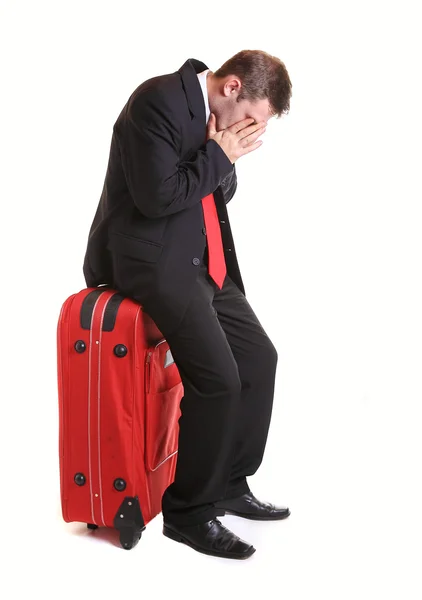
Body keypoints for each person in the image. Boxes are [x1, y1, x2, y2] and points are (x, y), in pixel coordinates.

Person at [83, 49, 293, 560]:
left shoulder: (214, 123)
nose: (248, 131)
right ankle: (190, 513)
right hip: (152, 261)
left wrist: (225, 158)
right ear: (233, 88)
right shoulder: (157, 101)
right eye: (251, 120)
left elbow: (213, 191)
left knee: (259, 360)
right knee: (218, 379)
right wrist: (219, 155)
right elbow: (158, 197)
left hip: (202, 262)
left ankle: (227, 482)